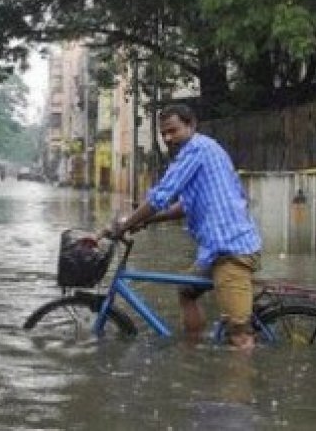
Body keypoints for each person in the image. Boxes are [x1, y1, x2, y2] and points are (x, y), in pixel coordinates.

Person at [110, 104, 262, 350]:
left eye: (173, 131)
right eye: (164, 135)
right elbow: (183, 206)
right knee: (186, 291)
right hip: (215, 250)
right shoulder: (202, 150)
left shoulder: (196, 150)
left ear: (191, 126)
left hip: (231, 251)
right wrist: (147, 221)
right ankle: (193, 351)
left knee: (239, 337)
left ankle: (239, 382)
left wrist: (126, 225)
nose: (168, 139)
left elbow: (161, 196)